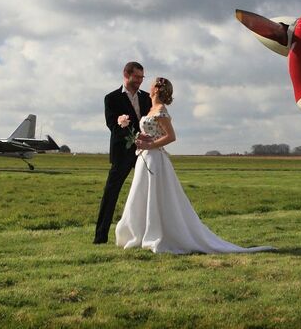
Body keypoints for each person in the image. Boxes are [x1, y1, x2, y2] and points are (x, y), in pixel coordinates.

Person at [115, 77, 273, 254]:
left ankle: (159, 232)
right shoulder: (151, 109)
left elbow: (171, 136)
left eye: (151, 84)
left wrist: (151, 145)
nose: (148, 85)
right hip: (144, 157)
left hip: (155, 158)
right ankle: (139, 232)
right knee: (141, 194)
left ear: (156, 89)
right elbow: (152, 132)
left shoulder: (161, 110)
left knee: (156, 196)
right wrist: (141, 139)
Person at [94, 61, 152, 244]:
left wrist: (148, 140)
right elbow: (112, 125)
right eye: (137, 77)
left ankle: (150, 232)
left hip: (145, 153)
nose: (140, 81)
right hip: (122, 153)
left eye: (142, 77)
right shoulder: (111, 98)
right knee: (111, 193)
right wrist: (133, 137)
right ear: (126, 75)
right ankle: (100, 236)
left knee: (151, 190)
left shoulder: (147, 98)